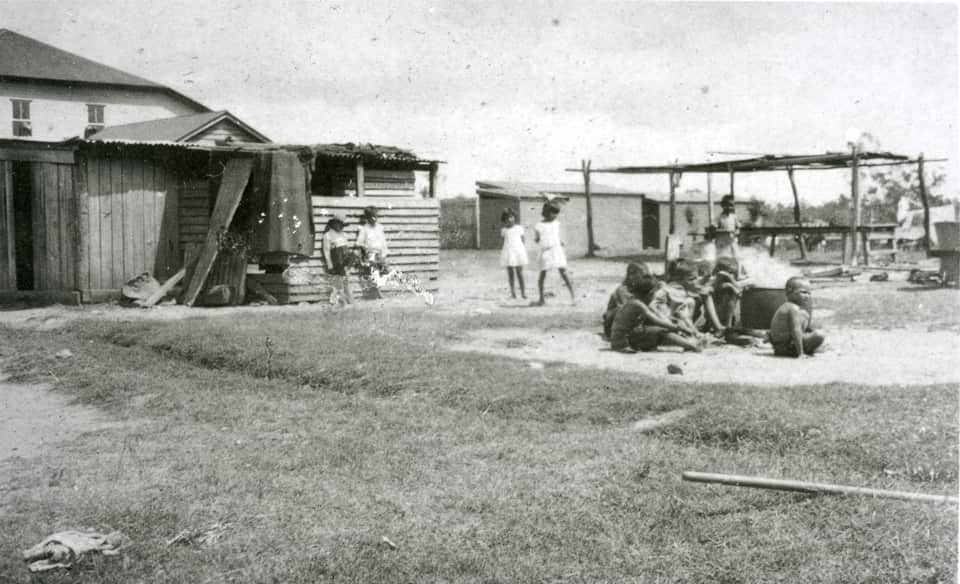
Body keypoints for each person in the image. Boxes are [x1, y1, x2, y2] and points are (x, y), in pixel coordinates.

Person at [609, 274, 702, 353]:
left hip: (620, 340)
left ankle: (685, 343)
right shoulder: (638, 304)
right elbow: (658, 321)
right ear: (649, 293)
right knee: (661, 332)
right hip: (623, 342)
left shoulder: (634, 302)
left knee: (654, 330)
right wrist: (679, 327)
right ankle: (690, 345)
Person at [768, 276, 825, 358]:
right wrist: (800, 353)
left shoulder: (796, 309)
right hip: (785, 347)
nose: (807, 296)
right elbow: (796, 330)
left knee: (806, 316)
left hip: (783, 346)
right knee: (819, 335)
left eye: (809, 293)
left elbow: (805, 329)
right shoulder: (792, 308)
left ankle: (804, 349)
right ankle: (798, 351)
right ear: (789, 292)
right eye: (803, 292)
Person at [533, 202, 575, 305]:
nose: (555, 215)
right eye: (553, 213)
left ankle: (573, 296)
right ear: (546, 212)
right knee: (543, 273)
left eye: (557, 213)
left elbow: (558, 236)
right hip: (546, 251)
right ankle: (541, 299)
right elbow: (537, 239)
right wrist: (544, 243)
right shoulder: (539, 225)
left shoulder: (557, 223)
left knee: (563, 272)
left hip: (556, 250)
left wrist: (559, 242)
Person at [602, 262, 649, 339]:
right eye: (642, 276)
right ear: (631, 276)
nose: (645, 279)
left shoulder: (642, 289)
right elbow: (625, 312)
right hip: (614, 324)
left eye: (646, 276)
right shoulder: (623, 290)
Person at [355, 206, 388, 299]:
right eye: (371, 217)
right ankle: (377, 293)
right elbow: (359, 242)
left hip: (380, 253)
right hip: (370, 254)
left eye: (375, 216)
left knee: (384, 272)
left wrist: (384, 252)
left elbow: (383, 241)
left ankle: (377, 291)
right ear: (367, 218)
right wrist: (366, 250)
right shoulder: (364, 229)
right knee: (373, 273)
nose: (374, 219)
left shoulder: (380, 227)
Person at [321, 216, 353, 306]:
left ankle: (349, 299)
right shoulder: (327, 236)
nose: (340, 227)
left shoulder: (344, 235)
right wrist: (330, 265)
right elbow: (326, 252)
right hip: (336, 261)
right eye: (339, 224)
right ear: (333, 224)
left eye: (342, 225)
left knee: (346, 280)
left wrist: (349, 261)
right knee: (337, 281)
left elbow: (347, 248)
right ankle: (335, 300)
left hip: (344, 261)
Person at [499, 209, 528, 299]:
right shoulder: (504, 230)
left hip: (518, 252)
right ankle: (513, 293)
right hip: (509, 252)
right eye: (507, 218)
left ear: (514, 217)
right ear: (504, 220)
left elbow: (523, 240)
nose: (509, 220)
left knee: (520, 273)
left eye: (511, 217)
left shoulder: (519, 228)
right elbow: (503, 242)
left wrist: (520, 250)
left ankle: (523, 293)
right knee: (510, 274)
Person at [715, 195, 740, 259]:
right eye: (727, 205)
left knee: (736, 258)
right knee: (722, 259)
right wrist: (722, 231)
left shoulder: (734, 217)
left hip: (732, 242)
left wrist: (736, 232)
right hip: (722, 243)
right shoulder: (719, 217)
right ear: (723, 206)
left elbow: (738, 228)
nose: (729, 207)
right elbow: (714, 229)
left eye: (731, 205)